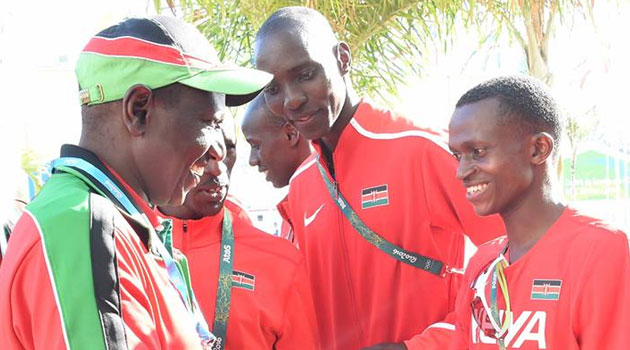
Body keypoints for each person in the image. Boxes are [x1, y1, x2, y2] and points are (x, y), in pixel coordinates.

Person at [0, 16, 271, 350]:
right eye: (210, 123)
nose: (216, 150)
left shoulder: (114, 223)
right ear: (139, 110)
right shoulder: (85, 228)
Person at [253, 7, 505, 350]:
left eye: (306, 74)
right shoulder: (301, 188)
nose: (292, 99)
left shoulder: (421, 150)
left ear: (342, 59)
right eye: (272, 89)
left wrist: (419, 347)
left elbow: (516, 261)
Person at [448, 75, 630, 349]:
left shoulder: (601, 250)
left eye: (478, 151)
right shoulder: (481, 263)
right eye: (457, 156)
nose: (462, 171)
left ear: (538, 149)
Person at [158, 113, 320, 350]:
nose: (217, 168)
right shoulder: (119, 245)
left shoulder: (281, 262)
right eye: (203, 150)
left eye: (228, 148)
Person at [242, 94, 312, 245]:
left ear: (290, 134)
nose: (252, 160)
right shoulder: (291, 213)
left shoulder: (331, 204)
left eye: (256, 145)